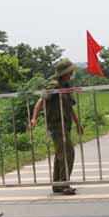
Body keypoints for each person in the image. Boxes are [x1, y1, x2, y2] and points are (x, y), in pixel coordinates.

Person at [30, 59, 84, 195]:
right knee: (68, 153)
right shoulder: (53, 86)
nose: (72, 73)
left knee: (60, 154)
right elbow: (40, 101)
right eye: (70, 71)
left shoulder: (66, 86)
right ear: (64, 73)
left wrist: (78, 124)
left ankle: (57, 184)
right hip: (56, 125)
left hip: (65, 125)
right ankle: (65, 184)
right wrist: (34, 118)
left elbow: (70, 108)